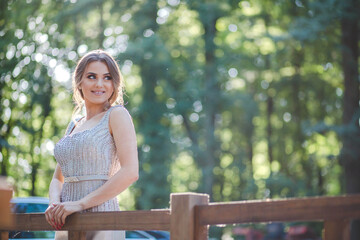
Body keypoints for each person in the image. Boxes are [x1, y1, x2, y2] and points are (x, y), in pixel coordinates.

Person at [45, 49, 139, 240]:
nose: (99, 84)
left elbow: (131, 172)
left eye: (107, 77)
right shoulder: (74, 125)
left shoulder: (116, 115)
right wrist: (55, 205)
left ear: (114, 84)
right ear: (79, 81)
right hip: (66, 220)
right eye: (91, 76)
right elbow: (58, 178)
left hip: (102, 219)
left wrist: (79, 204)